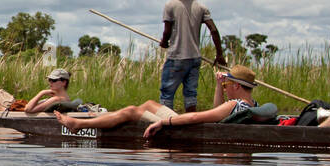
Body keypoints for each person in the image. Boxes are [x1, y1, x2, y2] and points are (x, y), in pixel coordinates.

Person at [55, 65, 273, 139]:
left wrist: (164, 123)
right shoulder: (251, 104)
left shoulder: (233, 105)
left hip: (186, 127)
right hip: (193, 123)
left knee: (132, 111)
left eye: (227, 85)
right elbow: (217, 111)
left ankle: (79, 124)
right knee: (149, 103)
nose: (225, 87)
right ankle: (104, 119)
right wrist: (219, 86)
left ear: (235, 86)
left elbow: (197, 116)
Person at [160, 0, 226, 112]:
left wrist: (164, 42)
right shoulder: (201, 7)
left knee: (167, 93)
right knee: (190, 94)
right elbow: (213, 30)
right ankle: (191, 122)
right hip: (195, 58)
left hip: (177, 57)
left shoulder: (170, 5)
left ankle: (166, 123)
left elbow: (167, 31)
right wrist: (219, 54)